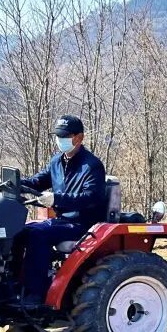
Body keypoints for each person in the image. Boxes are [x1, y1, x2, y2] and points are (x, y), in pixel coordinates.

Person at [19, 115, 106, 305]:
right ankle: (17, 286)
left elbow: (91, 198)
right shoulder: (57, 162)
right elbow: (36, 181)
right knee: (20, 232)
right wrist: (13, 183)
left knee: (38, 234)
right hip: (62, 221)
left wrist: (56, 199)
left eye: (65, 136)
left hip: (84, 224)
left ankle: (35, 294)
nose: (60, 140)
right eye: (58, 135)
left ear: (79, 138)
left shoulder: (92, 166)